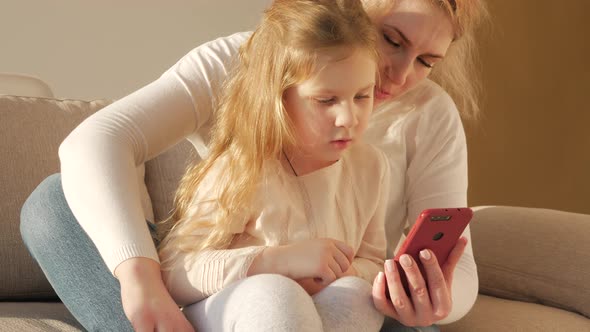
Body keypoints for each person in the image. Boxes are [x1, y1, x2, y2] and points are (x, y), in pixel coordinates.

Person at [20, 0, 489, 331]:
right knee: (53, 204)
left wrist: (423, 297)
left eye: (428, 61)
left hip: (355, 295)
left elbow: (455, 266)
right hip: (228, 279)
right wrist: (142, 281)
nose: (403, 74)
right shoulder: (252, 63)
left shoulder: (423, 118)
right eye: (391, 40)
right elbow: (96, 141)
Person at [156, 2, 388, 330]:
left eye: (362, 97)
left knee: (356, 295)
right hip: (241, 311)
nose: (349, 118)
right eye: (326, 101)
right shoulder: (244, 168)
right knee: (277, 294)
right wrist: (279, 262)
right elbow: (175, 270)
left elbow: (373, 261)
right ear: (278, 98)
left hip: (312, 314)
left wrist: (347, 272)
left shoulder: (370, 167)